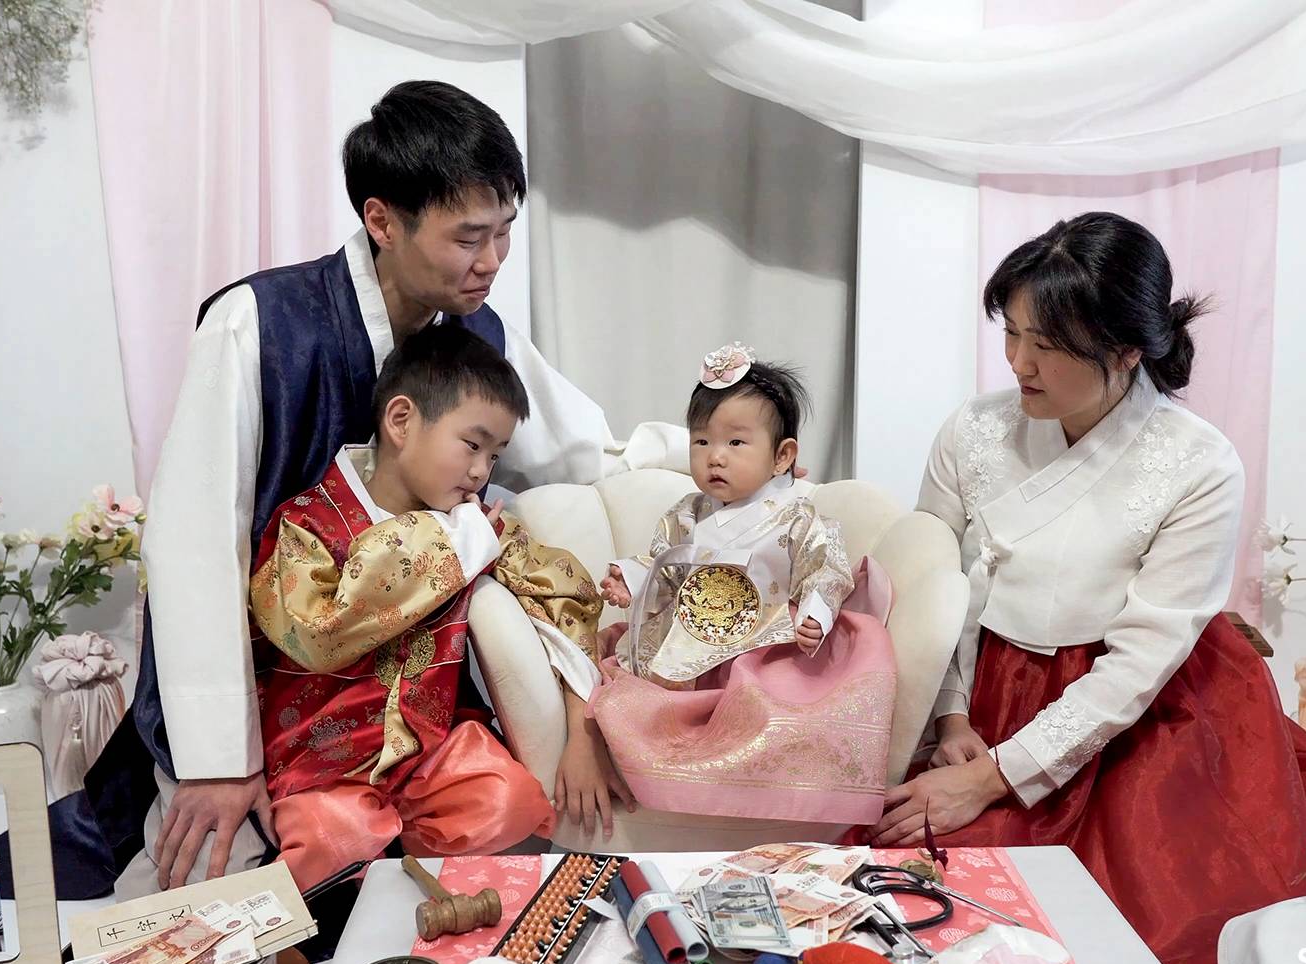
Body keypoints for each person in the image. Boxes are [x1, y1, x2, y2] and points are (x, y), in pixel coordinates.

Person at [61, 80, 687, 898]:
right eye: (468, 237)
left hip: (409, 700)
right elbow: (194, 541)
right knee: (218, 893)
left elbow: (580, 449)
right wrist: (217, 758)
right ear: (383, 221)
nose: (492, 261)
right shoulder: (261, 323)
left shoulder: (477, 335)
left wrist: (714, 456)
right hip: (273, 691)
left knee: (482, 833)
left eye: (504, 231)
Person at [874, 212, 1306, 964]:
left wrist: (996, 776)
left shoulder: (1199, 465)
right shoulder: (973, 430)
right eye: (1013, 333)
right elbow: (936, 587)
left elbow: (1141, 661)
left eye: (1047, 345)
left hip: (1133, 710)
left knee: (1144, 942)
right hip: (979, 686)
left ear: (1129, 350)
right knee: (892, 884)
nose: (1019, 363)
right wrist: (953, 721)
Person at [250, 324, 602, 889]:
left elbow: (564, 594)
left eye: (495, 455)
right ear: (400, 421)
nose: (482, 471)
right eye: (472, 445)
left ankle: (422, 889)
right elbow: (314, 632)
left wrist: (584, 731)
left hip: (432, 745)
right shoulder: (308, 523)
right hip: (325, 757)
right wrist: (449, 541)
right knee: (332, 842)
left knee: (508, 802)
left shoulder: (477, 525)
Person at [584, 344, 897, 831]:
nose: (715, 457)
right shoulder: (687, 514)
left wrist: (816, 613)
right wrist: (632, 577)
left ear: (782, 456)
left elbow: (826, 568)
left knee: (769, 703)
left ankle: (761, 790)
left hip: (762, 644)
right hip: (690, 637)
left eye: (735, 443)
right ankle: (675, 780)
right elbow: (663, 562)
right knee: (637, 700)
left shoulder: (796, 517)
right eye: (702, 441)